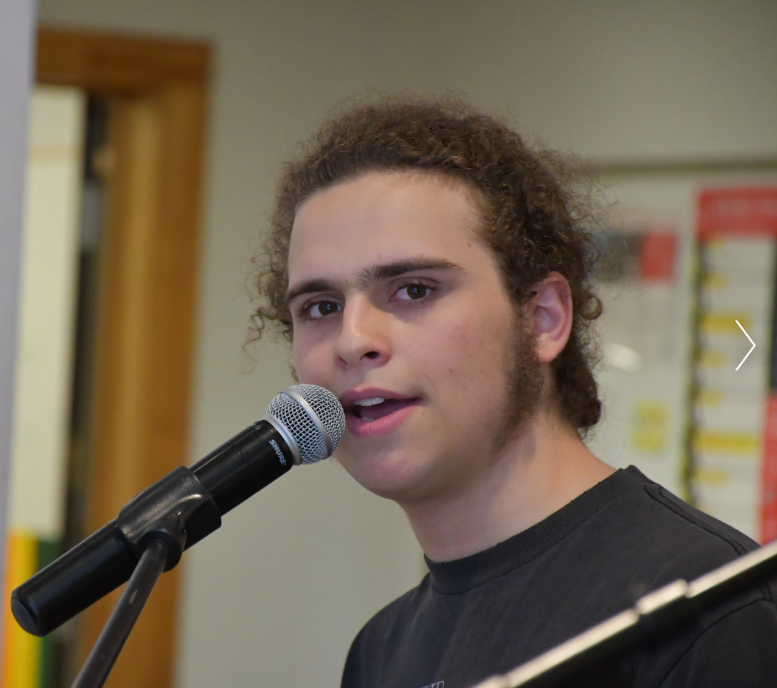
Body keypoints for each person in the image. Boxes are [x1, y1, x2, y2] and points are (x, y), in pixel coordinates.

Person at [249, 96, 777, 687]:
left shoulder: (706, 609)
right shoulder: (380, 649)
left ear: (542, 319)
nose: (353, 341)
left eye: (414, 290)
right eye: (321, 306)